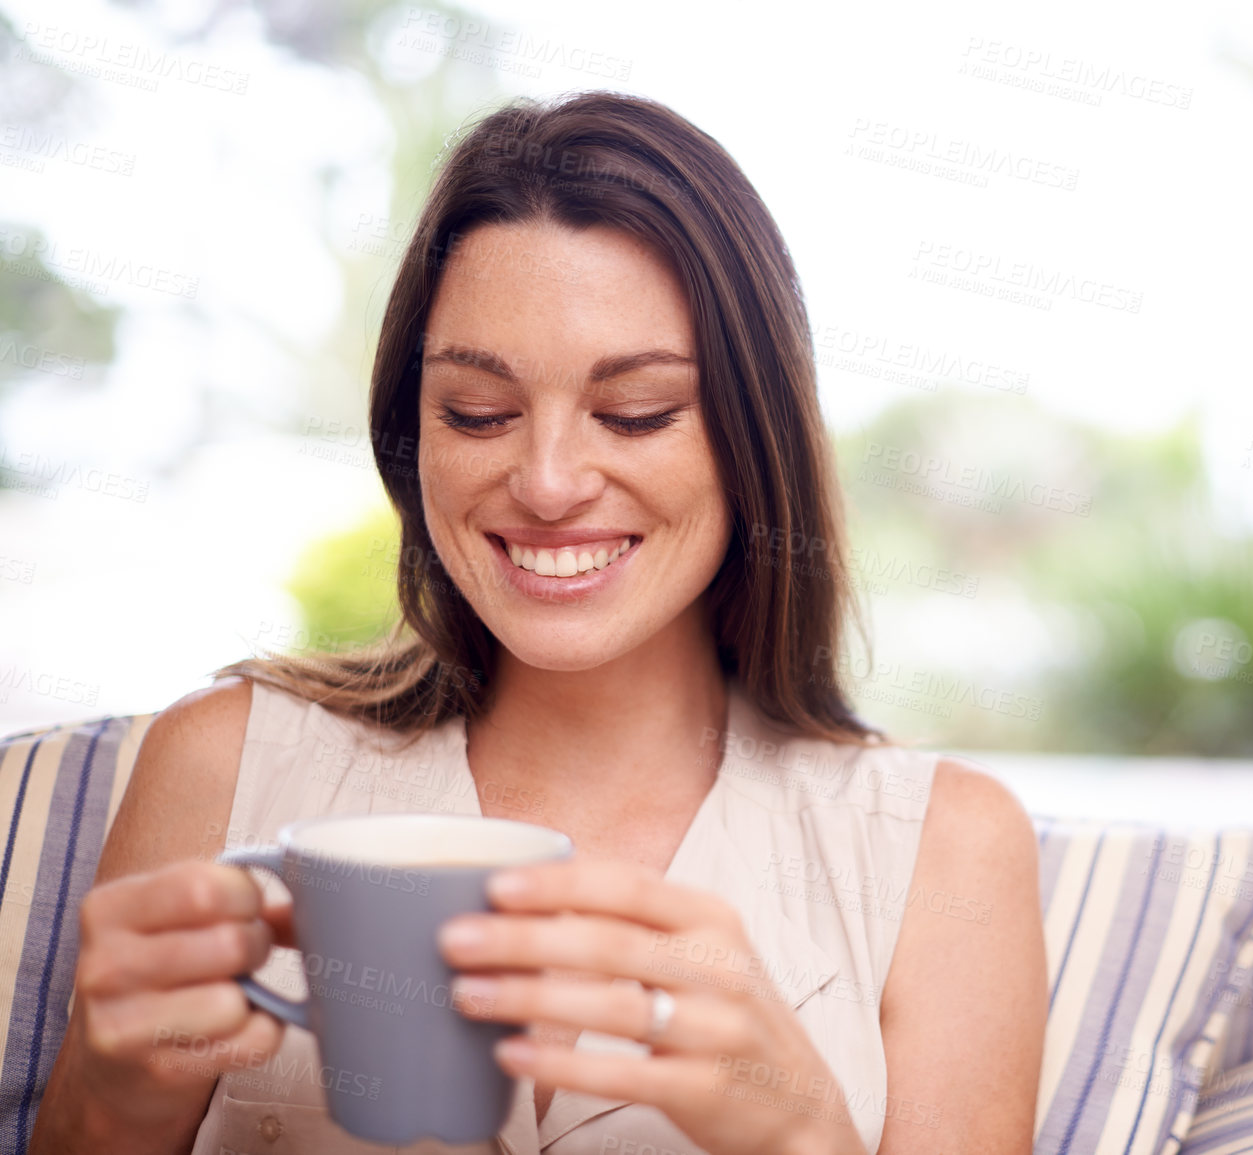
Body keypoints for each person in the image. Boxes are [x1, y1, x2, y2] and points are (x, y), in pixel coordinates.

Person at [28, 91, 1045, 1155]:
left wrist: (805, 1136)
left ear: (756, 433)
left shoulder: (944, 851)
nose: (549, 483)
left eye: (636, 412)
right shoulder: (223, 765)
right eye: (478, 413)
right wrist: (112, 1091)